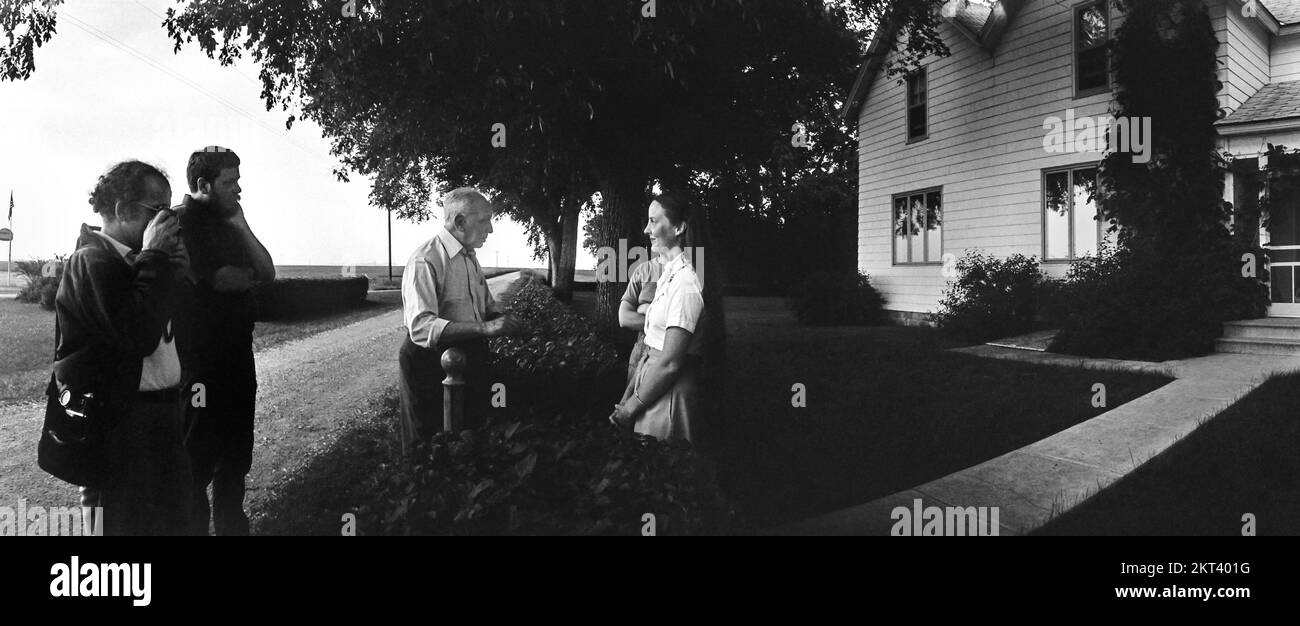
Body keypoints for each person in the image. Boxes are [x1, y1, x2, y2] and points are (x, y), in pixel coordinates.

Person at [57, 160, 192, 535]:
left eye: (171, 210)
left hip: (162, 415)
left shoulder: (137, 261)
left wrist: (173, 275)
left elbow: (168, 332)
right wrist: (154, 261)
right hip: (120, 425)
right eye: (157, 210)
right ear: (121, 210)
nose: (168, 220)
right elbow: (137, 336)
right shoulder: (92, 261)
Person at [175, 146, 275, 536]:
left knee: (236, 456)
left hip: (236, 357)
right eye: (229, 182)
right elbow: (221, 279)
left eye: (237, 180)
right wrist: (245, 275)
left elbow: (266, 270)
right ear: (203, 184)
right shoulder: (183, 222)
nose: (238, 189)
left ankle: (234, 530)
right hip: (199, 362)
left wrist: (241, 225)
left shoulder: (228, 221)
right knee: (197, 458)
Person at [399, 187, 523, 453]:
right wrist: (485, 328)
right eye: (484, 220)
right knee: (428, 448)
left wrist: (503, 320)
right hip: (429, 363)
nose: (490, 229)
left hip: (468, 356)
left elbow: (485, 305)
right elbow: (421, 328)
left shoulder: (469, 257)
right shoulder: (425, 260)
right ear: (459, 222)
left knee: (467, 439)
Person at [610, 192, 707, 443]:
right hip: (653, 388)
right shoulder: (668, 275)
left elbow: (670, 362)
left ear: (679, 227)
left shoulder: (686, 282)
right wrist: (629, 398)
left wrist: (631, 408)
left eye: (653, 221)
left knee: (663, 469)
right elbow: (652, 346)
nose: (646, 229)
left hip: (668, 392)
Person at [618, 256, 662, 384]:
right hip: (642, 349)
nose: (648, 234)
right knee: (629, 399)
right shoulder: (644, 269)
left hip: (673, 352)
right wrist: (664, 322)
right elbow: (624, 318)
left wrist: (644, 309)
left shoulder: (691, 269)